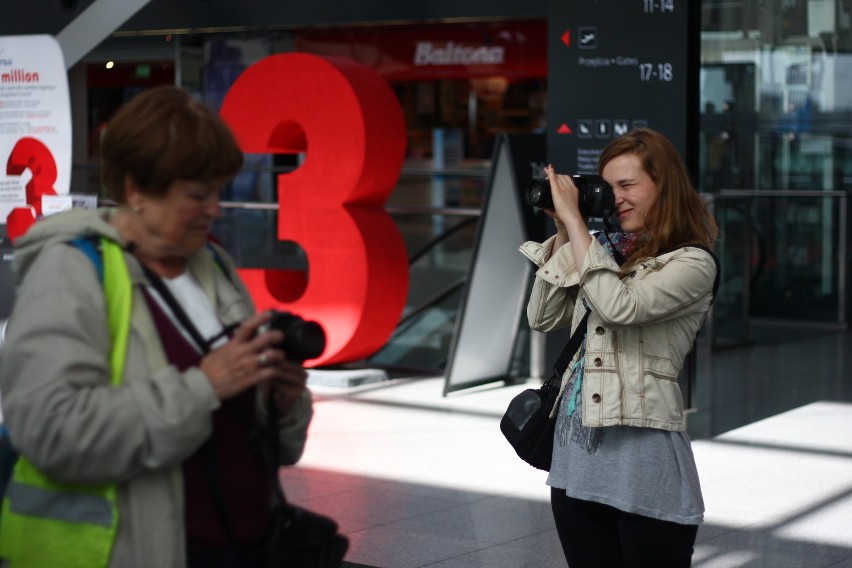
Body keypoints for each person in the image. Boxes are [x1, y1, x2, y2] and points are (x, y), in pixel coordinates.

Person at [0, 85, 313, 568]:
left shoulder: (213, 264)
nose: (215, 209)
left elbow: (265, 435)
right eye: (197, 194)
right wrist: (203, 385)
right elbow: (49, 431)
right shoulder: (71, 272)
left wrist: (280, 403)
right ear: (135, 190)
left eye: (218, 192)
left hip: (247, 544)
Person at [519, 128, 718, 567]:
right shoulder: (602, 250)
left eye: (628, 185)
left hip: (642, 467)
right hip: (575, 462)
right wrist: (565, 230)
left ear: (664, 187)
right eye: (609, 188)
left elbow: (620, 308)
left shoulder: (691, 262)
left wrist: (577, 226)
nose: (616, 198)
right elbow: (542, 317)